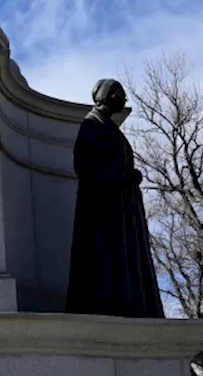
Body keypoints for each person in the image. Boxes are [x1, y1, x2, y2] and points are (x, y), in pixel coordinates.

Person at [65, 79, 165, 318]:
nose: (125, 100)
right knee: (104, 257)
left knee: (122, 257)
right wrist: (121, 179)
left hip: (119, 208)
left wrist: (129, 178)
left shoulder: (106, 126)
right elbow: (84, 166)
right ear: (109, 96)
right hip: (102, 210)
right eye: (121, 95)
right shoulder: (92, 126)